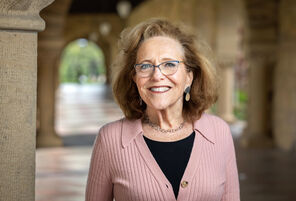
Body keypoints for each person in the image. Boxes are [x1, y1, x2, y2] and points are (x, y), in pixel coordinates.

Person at [86, 18, 240, 201]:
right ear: (134, 78)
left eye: (169, 64)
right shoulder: (110, 139)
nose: (157, 75)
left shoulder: (219, 132)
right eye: (145, 66)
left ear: (189, 77)